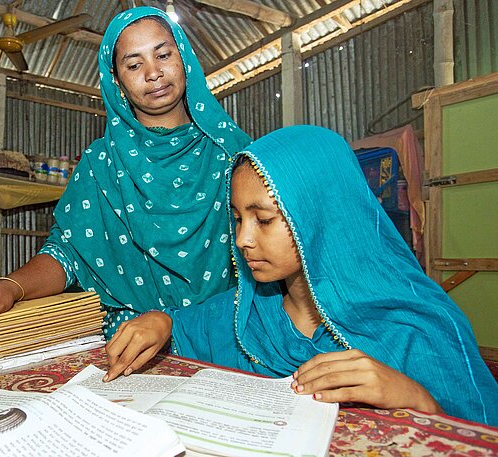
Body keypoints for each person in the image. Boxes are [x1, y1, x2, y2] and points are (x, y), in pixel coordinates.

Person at [105, 125, 498, 426]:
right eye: (238, 218)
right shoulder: (244, 313)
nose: (243, 239)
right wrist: (160, 320)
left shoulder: (421, 328)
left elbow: (479, 435)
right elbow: (184, 325)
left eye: (264, 219)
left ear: (320, 215)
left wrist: (416, 402)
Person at [0, 7, 252, 342]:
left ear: (184, 59)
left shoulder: (234, 156)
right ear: (116, 79)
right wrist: (9, 287)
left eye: (163, 55)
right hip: (126, 346)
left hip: (223, 338)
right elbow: (68, 253)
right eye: (134, 64)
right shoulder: (102, 163)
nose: (153, 73)